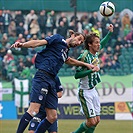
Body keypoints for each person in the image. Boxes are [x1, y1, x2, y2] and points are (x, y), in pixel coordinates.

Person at [10, 30, 96, 133]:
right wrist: (23, 45)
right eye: (78, 39)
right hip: (42, 76)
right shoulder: (58, 39)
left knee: (52, 117)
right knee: (33, 110)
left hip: (51, 80)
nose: (78, 43)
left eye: (81, 43)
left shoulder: (65, 50)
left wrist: (86, 65)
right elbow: (38, 42)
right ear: (73, 35)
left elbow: (69, 60)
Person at [72, 24, 114, 133]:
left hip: (93, 90)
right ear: (90, 44)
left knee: (97, 120)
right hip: (84, 91)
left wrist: (109, 33)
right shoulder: (84, 56)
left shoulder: (94, 53)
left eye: (98, 42)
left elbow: (103, 43)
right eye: (96, 43)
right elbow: (77, 75)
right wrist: (91, 70)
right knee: (91, 122)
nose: (99, 45)